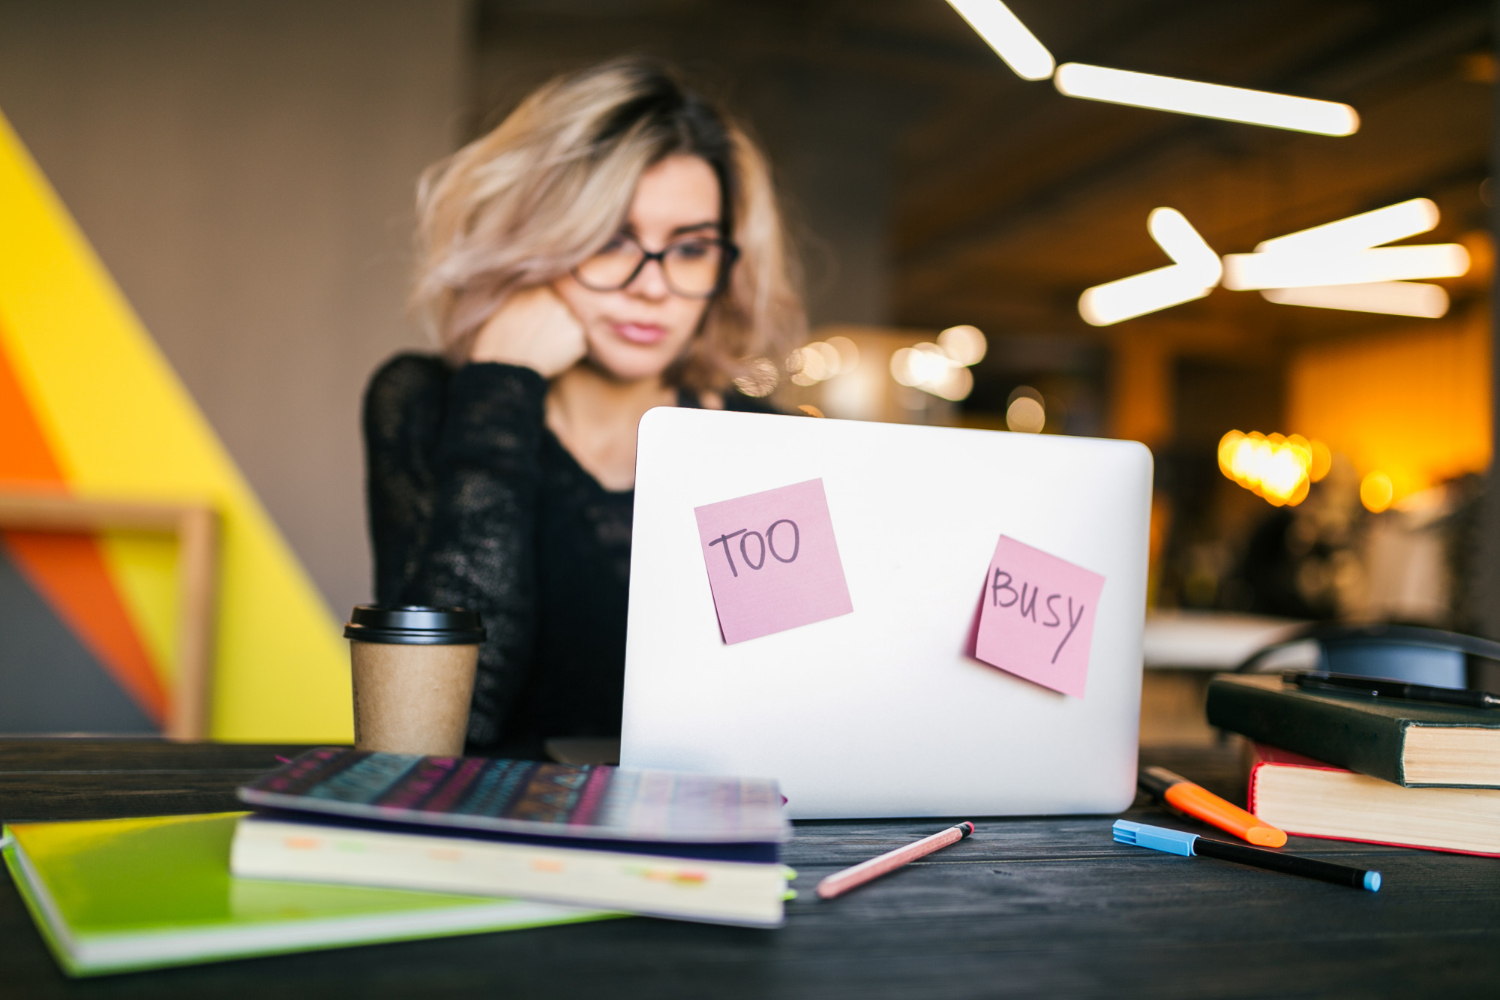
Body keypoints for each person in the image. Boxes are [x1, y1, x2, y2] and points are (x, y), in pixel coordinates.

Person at [362, 58, 806, 759]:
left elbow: (792, 721)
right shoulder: (425, 403)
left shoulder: (762, 447)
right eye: (611, 240)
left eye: (691, 248)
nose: (651, 286)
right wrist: (500, 388)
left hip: (692, 821)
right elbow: (437, 728)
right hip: (487, 819)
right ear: (536, 241)